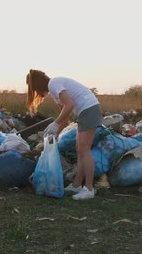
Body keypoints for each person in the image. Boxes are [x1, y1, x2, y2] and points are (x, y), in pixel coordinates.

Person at [26, 69, 102, 200]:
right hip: (85, 112)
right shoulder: (55, 92)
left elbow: (70, 105)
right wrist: (55, 133)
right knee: (80, 149)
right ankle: (77, 185)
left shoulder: (54, 83)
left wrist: (55, 124)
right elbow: (65, 117)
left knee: (84, 150)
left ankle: (89, 188)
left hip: (89, 110)